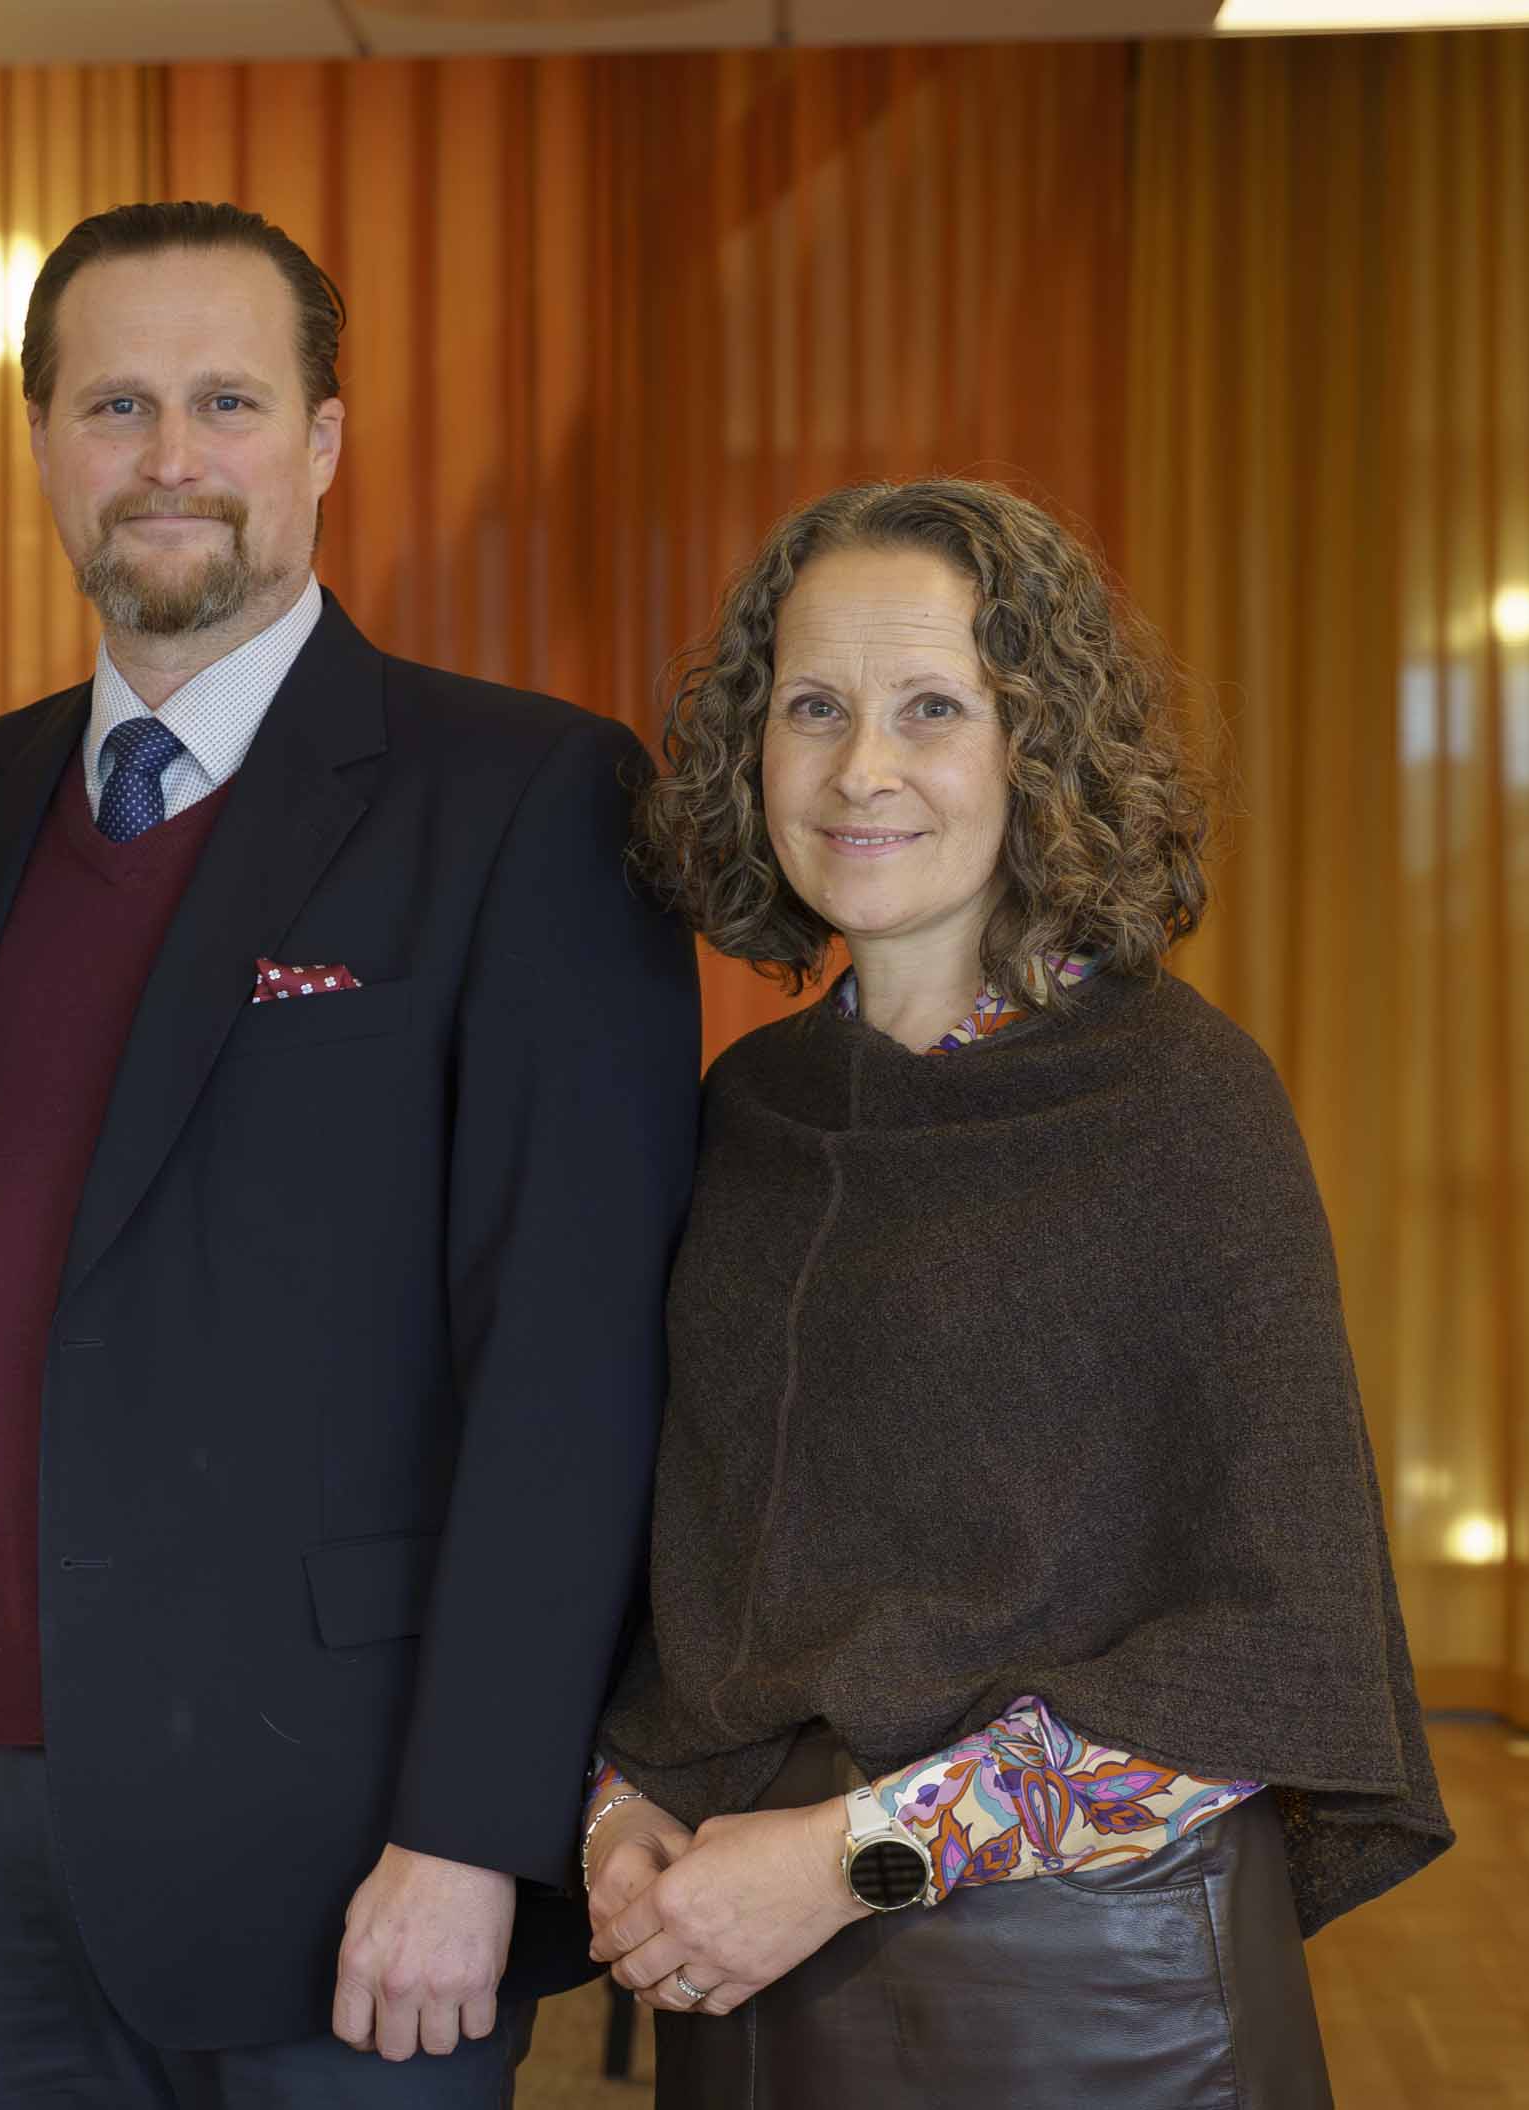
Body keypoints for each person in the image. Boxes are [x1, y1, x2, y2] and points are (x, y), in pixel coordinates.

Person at [0, 199, 700, 2106]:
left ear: (321, 441)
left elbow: (572, 1368)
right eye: (115, 404)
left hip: (348, 1838)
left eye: (227, 401)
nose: (169, 458)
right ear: (45, 443)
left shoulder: (529, 802)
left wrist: (472, 1825)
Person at [586, 478, 1451, 2105]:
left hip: (1084, 1988)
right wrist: (617, 1806)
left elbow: (1278, 1651)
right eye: (812, 709)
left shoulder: (1178, 1104)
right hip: (741, 1951)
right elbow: (694, 1564)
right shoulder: (746, 1110)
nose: (861, 769)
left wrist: (858, 1855)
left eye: (932, 708)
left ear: (1032, 749)